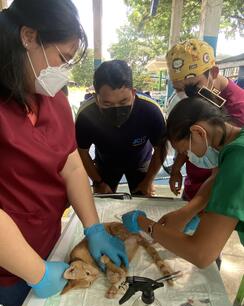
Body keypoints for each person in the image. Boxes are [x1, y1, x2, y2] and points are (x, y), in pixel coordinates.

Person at [0, 0, 128, 306]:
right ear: (29, 37)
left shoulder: (52, 99)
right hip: (10, 266)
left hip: (49, 244)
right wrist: (36, 271)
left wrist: (93, 227)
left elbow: (71, 165)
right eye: (62, 58)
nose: (63, 72)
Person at [122, 96, 244, 269]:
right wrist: (186, 212)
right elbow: (216, 179)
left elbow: (201, 254)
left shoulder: (238, 157)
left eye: (186, 150)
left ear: (199, 132)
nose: (188, 157)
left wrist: (144, 223)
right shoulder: (234, 144)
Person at [163, 39, 244, 231]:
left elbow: (223, 175)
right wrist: (176, 168)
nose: (186, 96)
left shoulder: (238, 111)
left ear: (213, 73)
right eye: (178, 89)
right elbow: (184, 137)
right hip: (196, 191)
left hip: (222, 199)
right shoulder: (190, 97)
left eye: (193, 86)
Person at [75, 60, 167, 196]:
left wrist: (148, 180)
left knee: (143, 200)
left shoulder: (150, 110)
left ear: (133, 93)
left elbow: (161, 148)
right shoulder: (85, 115)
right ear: (96, 98)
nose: (117, 109)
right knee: (103, 200)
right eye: (107, 104)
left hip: (141, 161)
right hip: (106, 163)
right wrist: (98, 182)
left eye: (124, 101)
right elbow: (82, 152)